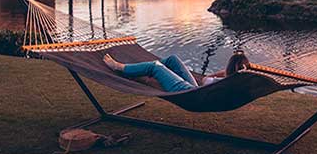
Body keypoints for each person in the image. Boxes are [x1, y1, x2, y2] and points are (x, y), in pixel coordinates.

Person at [103, 50, 250, 92]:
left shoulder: (228, 81)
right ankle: (139, 70)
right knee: (173, 59)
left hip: (190, 94)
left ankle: (119, 67)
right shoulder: (237, 81)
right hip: (196, 90)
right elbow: (206, 81)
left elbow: (205, 79)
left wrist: (223, 73)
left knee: (155, 66)